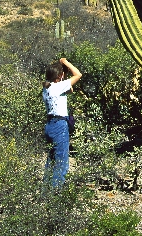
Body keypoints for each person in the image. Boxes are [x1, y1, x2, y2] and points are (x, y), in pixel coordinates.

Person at [42, 57, 82, 189]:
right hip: (59, 125)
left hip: (50, 126)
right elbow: (78, 74)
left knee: (51, 160)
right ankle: (55, 195)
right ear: (60, 76)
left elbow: (70, 89)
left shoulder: (47, 88)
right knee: (61, 163)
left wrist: (62, 74)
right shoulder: (58, 87)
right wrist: (65, 62)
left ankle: (45, 192)